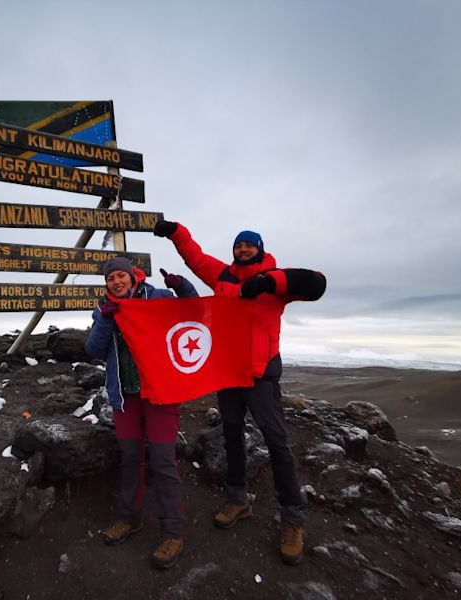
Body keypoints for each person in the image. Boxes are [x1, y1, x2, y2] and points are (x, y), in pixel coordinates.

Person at [153, 219, 326, 565]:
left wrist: (266, 281)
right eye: (238, 245)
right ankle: (237, 500)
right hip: (229, 374)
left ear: (259, 248)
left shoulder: (277, 281)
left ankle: (293, 519)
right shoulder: (223, 277)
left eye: (249, 245)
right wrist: (175, 232)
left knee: (277, 443)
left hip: (261, 376)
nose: (243, 249)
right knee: (231, 437)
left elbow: (317, 283)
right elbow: (196, 257)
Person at [85, 256, 197, 569]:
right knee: (131, 457)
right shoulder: (104, 309)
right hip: (126, 397)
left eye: (120, 276)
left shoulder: (159, 298)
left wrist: (182, 285)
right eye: (110, 279)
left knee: (162, 460)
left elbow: (195, 309)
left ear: (132, 278)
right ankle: (129, 519)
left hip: (160, 393)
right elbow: (93, 350)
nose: (116, 282)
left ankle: (173, 531)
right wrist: (106, 319)